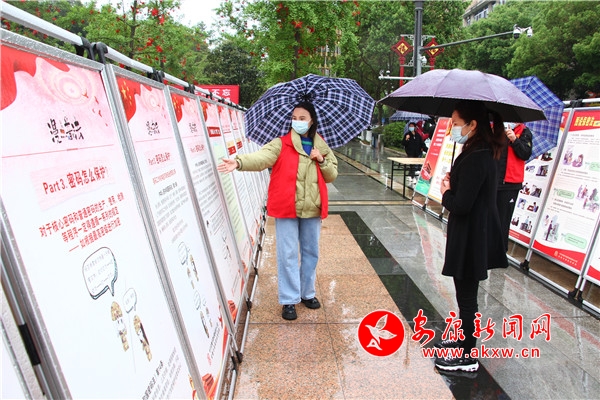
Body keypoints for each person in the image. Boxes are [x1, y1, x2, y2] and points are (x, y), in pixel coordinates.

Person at [217, 102, 338, 321]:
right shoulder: (281, 144)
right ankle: (289, 299)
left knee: (311, 252)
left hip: (312, 207)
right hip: (286, 206)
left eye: (302, 118)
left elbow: (332, 175)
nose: (297, 122)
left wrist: (321, 159)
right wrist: (239, 162)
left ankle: (307, 293)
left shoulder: (322, 146)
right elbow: (262, 158)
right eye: (294, 118)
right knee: (287, 253)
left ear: (312, 121)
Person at [435, 100, 508, 373]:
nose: (452, 128)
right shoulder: (478, 151)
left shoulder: (478, 156)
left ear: (472, 124)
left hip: (471, 236)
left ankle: (467, 356)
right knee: (465, 296)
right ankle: (463, 342)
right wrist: (455, 180)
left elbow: (462, 205)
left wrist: (446, 192)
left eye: (455, 123)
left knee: (467, 298)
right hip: (471, 233)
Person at [496, 122, 533, 251]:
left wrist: (514, 140)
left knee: (503, 220)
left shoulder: (524, 132)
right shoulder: (497, 129)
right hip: (493, 181)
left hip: (510, 184)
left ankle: (500, 251)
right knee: (488, 217)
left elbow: (526, 153)